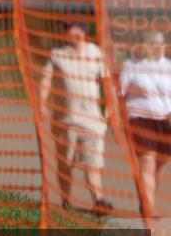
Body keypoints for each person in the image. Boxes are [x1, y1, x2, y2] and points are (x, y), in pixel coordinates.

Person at [38, 22, 114, 215]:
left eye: (76, 29)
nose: (72, 33)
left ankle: (99, 202)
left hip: (93, 123)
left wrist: (111, 107)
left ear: (83, 32)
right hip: (65, 122)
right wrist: (41, 102)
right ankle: (66, 201)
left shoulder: (96, 54)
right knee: (66, 165)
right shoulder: (58, 55)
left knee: (92, 166)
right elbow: (46, 79)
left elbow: (108, 83)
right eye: (68, 30)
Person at [120, 30, 171, 216]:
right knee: (148, 163)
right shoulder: (131, 66)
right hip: (140, 119)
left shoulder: (168, 66)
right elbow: (119, 93)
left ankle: (145, 199)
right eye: (154, 42)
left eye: (161, 43)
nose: (158, 46)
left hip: (165, 122)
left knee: (158, 166)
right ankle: (148, 208)